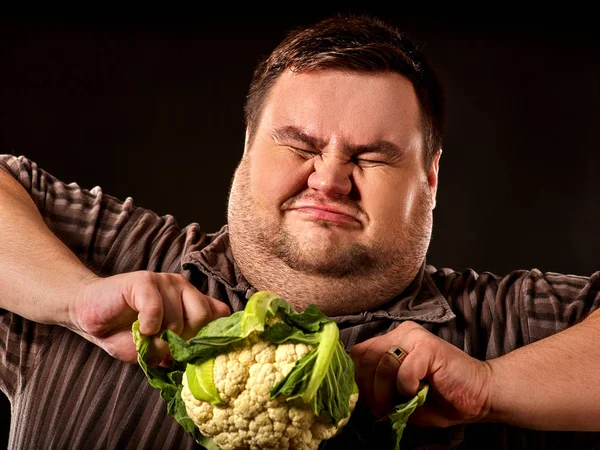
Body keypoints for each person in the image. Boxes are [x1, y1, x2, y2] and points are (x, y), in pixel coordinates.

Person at [1, 13, 599, 450]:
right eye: (300, 144)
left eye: (374, 156)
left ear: (431, 178)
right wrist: (72, 298)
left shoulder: (506, 326)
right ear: (245, 150)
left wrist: (494, 385)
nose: (331, 180)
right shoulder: (120, 260)